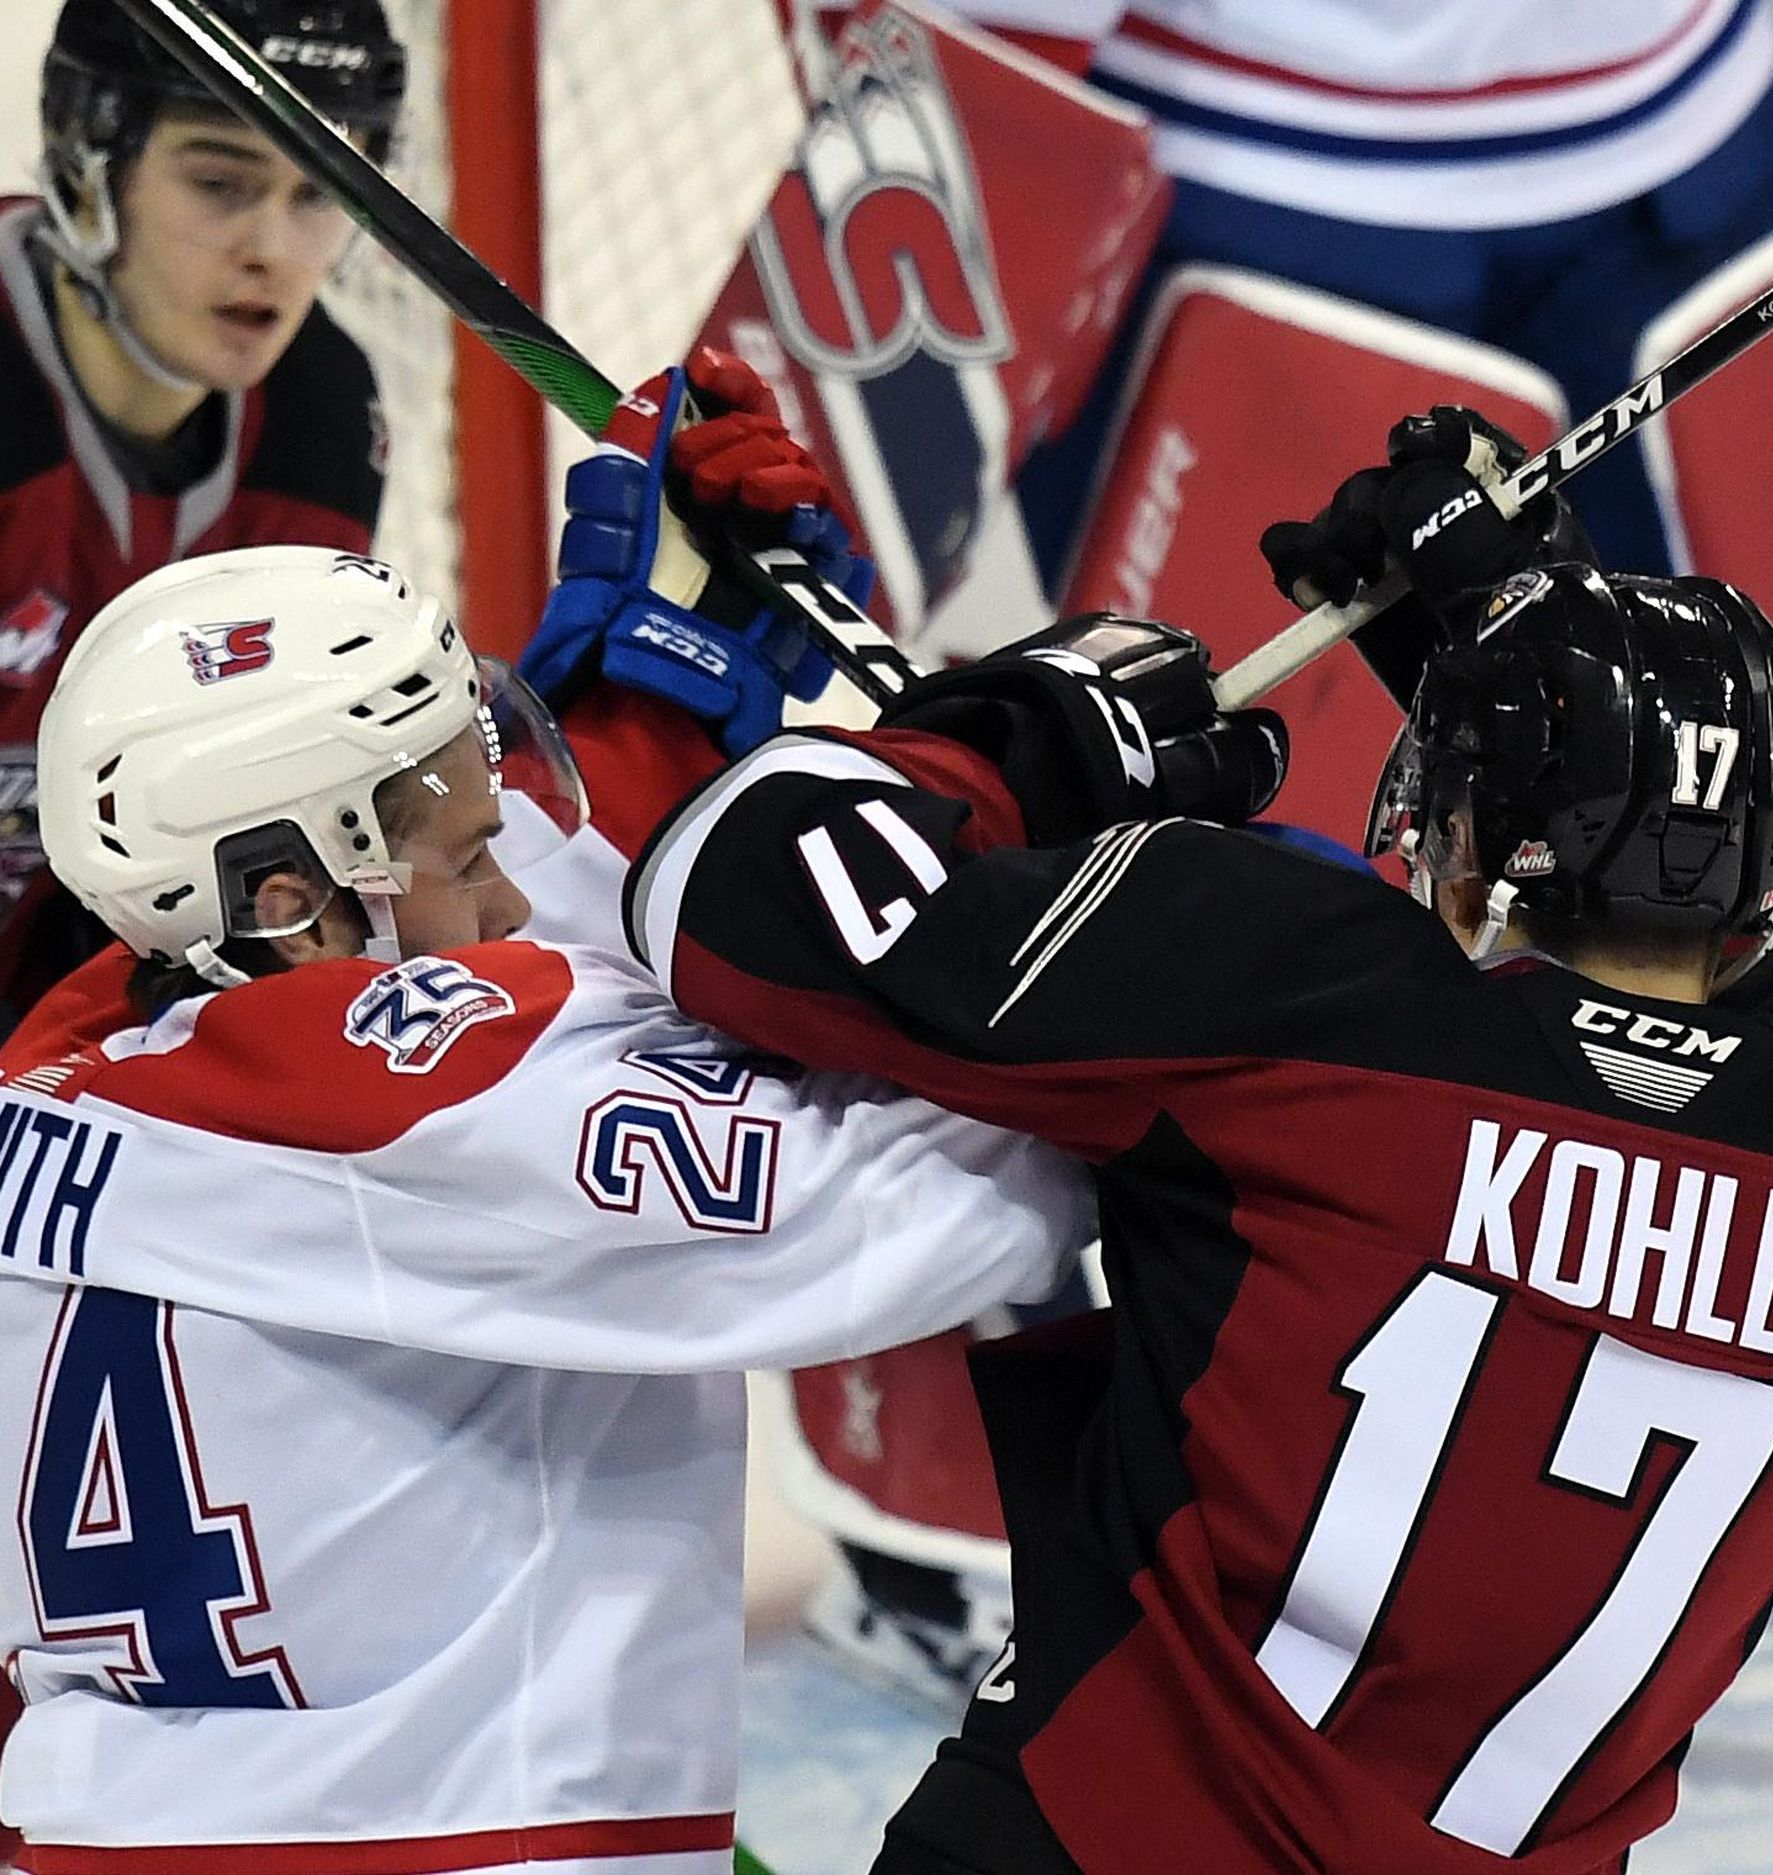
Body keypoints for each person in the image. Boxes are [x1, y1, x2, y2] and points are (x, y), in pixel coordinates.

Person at [619, 410, 1773, 1871]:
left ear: (1484, 838)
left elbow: (726, 893)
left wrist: (1017, 743)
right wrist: (1572, 693)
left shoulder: (1297, 987)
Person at [0, 401, 1096, 1861]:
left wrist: (652, 703)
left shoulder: (83, 1059)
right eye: (468, 855)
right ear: (283, 898)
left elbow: (469, 979)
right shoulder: (392, 1109)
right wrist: (1114, 906)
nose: (511, 896)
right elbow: (912, 1210)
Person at [0, 0, 405, 1030]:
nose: (273, 249)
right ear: (91, 159)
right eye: (220, 184)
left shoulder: (317, 417)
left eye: (320, 191)